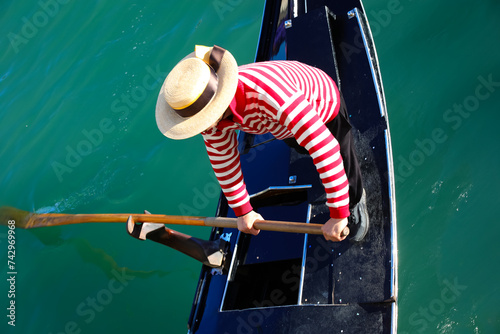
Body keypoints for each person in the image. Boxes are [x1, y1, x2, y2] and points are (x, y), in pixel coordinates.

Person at [155, 45, 368, 242]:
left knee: (341, 154)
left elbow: (326, 148)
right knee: (302, 146)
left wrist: (338, 214)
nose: (200, 129)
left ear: (215, 109)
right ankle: (328, 174)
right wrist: (243, 210)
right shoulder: (210, 120)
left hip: (322, 107)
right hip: (281, 124)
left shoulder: (268, 93)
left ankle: (356, 199)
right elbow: (224, 163)